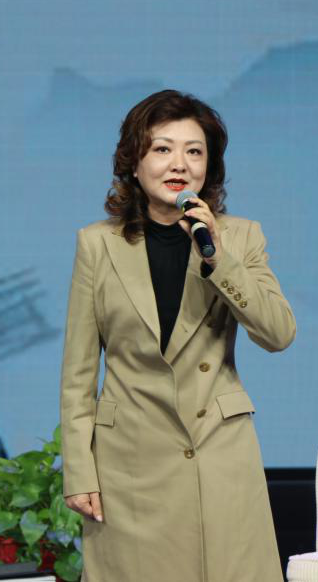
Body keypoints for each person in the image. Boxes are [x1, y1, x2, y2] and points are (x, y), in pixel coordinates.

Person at [59, 89, 296, 581]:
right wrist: (79, 471)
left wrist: (218, 259)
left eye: (194, 151)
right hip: (130, 464)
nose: (179, 164)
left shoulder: (240, 236)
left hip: (217, 454)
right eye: (162, 148)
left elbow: (278, 333)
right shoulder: (96, 245)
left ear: (210, 167)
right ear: (134, 162)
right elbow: (78, 375)